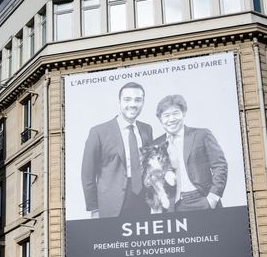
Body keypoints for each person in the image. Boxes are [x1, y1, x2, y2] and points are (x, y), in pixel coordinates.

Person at [81, 82, 153, 218]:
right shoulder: (98, 132)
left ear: (143, 102)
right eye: (127, 99)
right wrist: (94, 208)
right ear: (119, 102)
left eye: (138, 100)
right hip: (111, 204)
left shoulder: (147, 130)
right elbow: (87, 174)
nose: (133, 104)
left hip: (143, 201)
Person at [153, 94, 227, 211]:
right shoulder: (156, 144)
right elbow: (153, 176)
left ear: (183, 113)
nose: (171, 119)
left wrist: (212, 198)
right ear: (160, 119)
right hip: (173, 207)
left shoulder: (201, 135)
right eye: (166, 115)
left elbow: (220, 166)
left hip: (202, 199)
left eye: (175, 113)